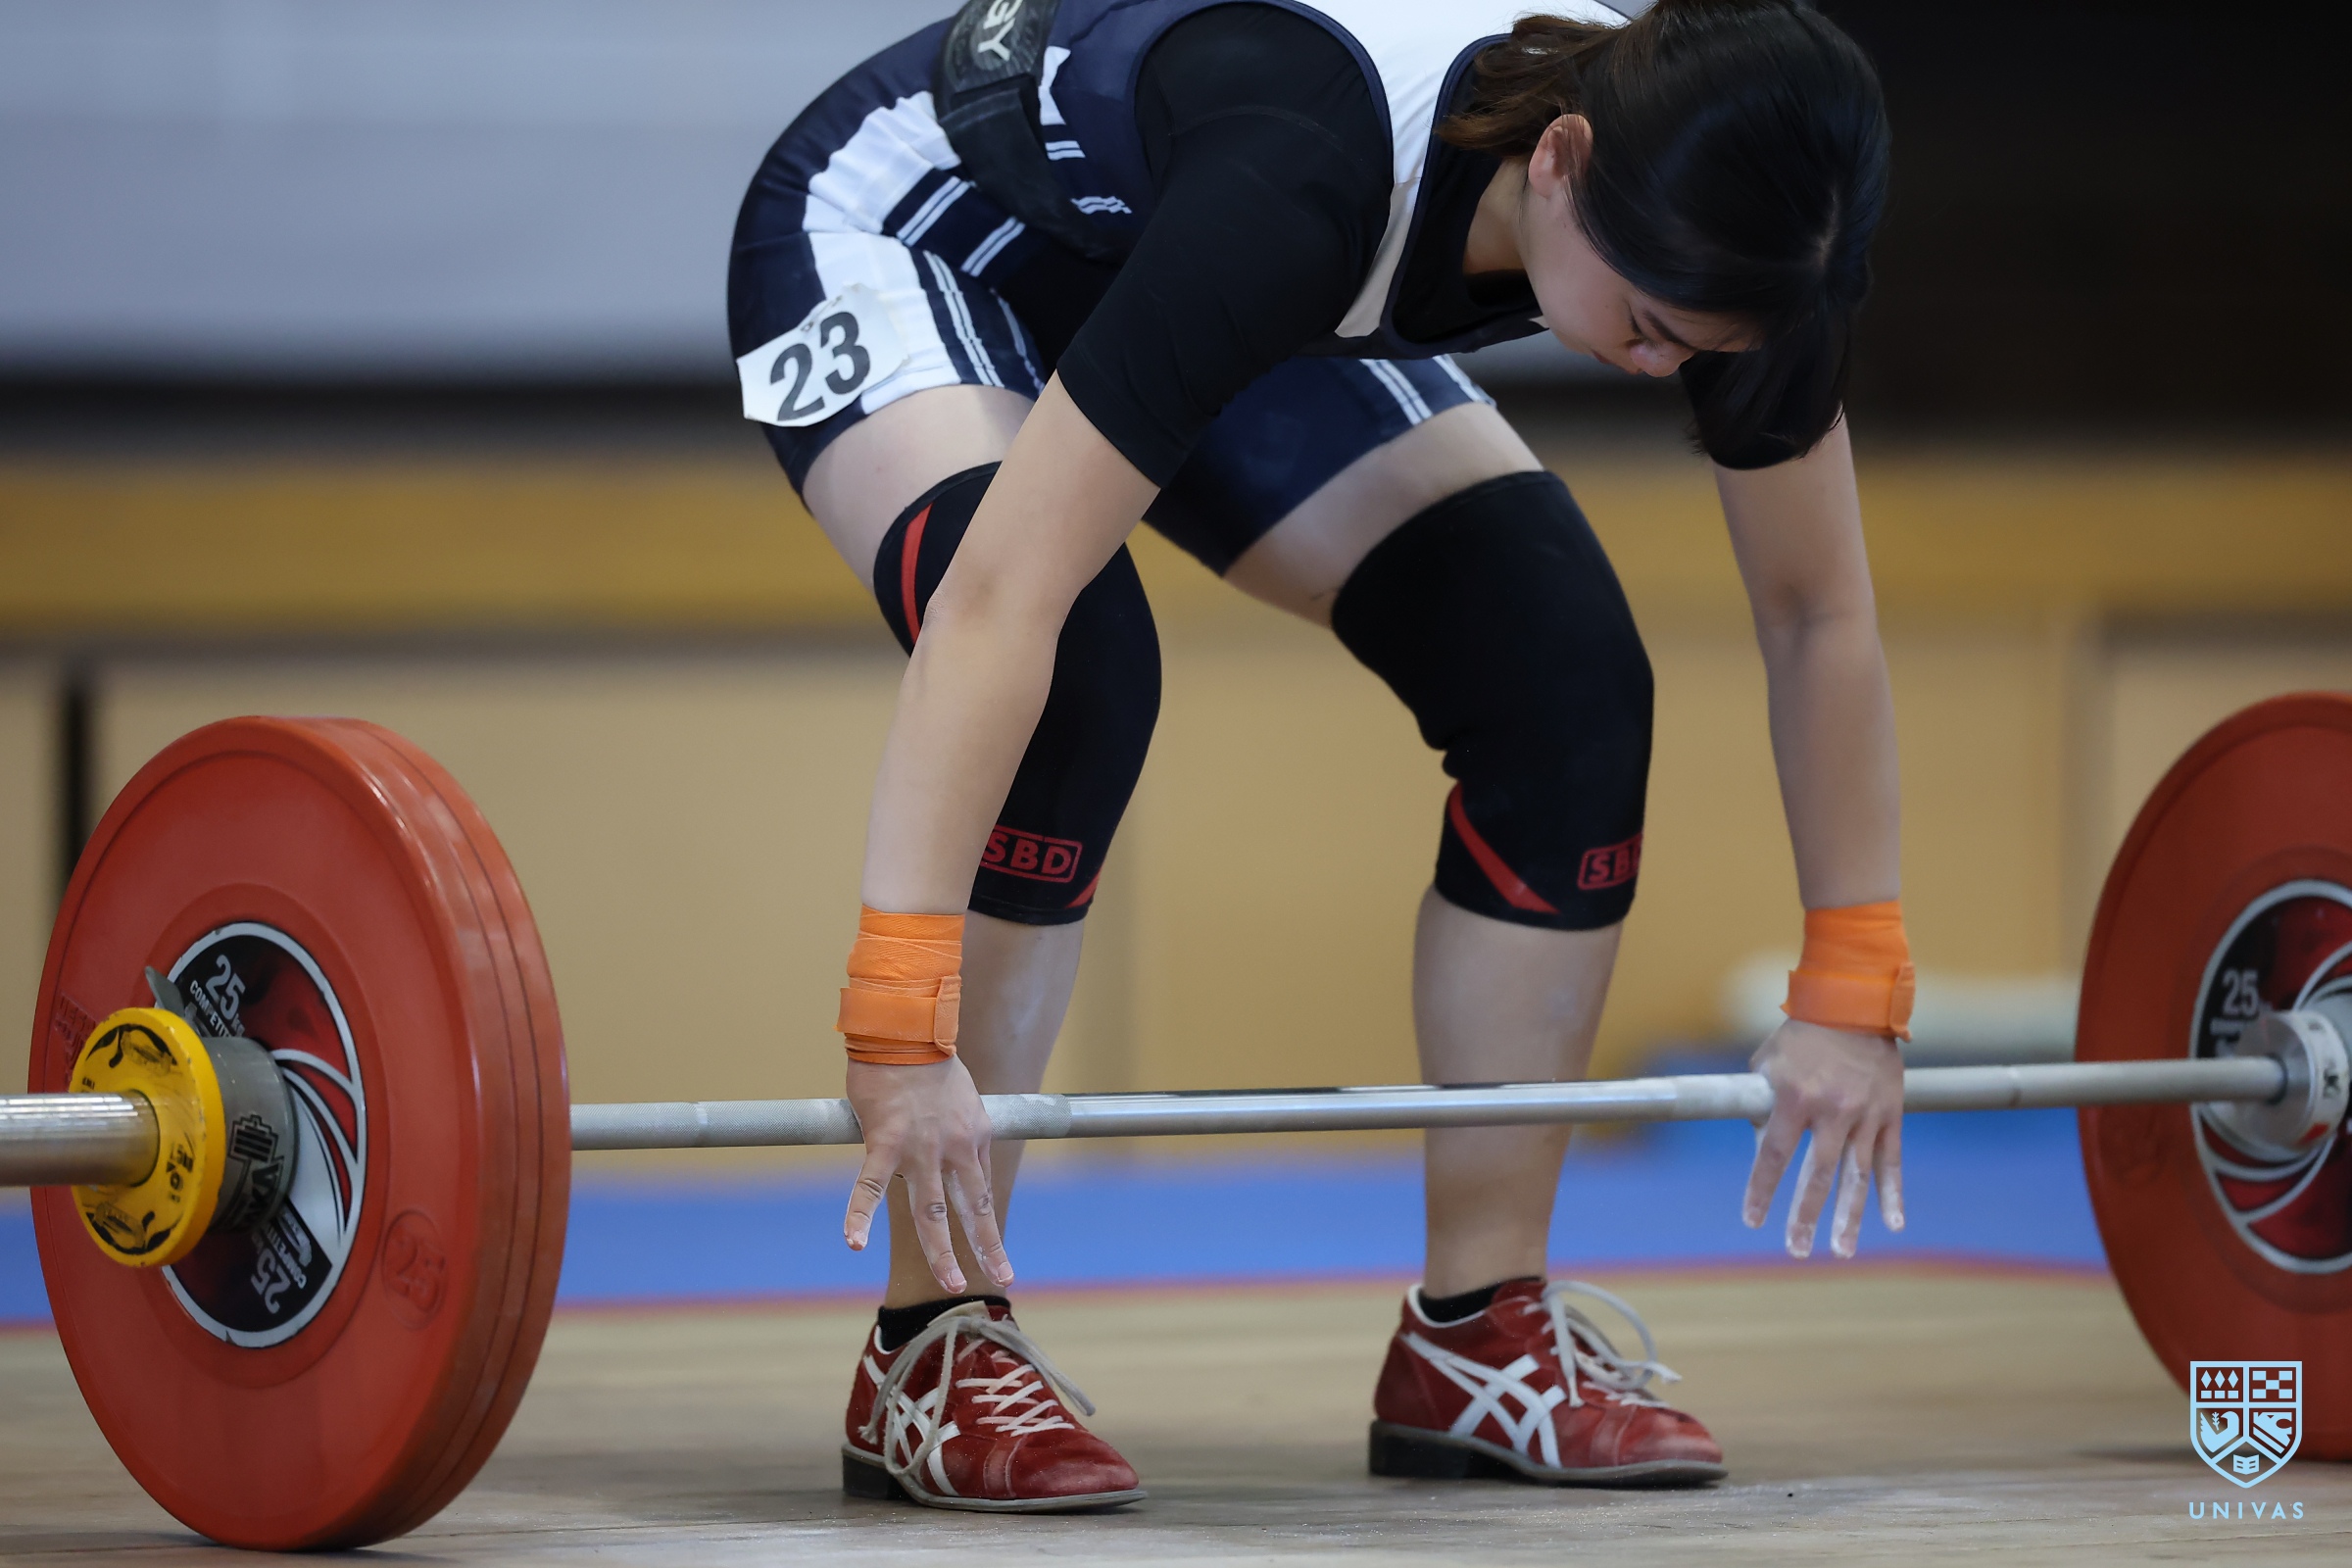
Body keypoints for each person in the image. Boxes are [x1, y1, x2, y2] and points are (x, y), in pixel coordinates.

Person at [728, 0, 1912, 1513]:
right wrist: (897, 1023)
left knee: (1558, 673)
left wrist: (1855, 981)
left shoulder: (1747, 223)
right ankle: (934, 1342)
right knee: (1077, 669)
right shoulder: (1306, 171)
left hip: (1212, 259)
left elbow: (1818, 615)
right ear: (1561, 159)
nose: (1658, 366)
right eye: (1651, 322)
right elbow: (998, 602)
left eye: (1700, 343)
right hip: (934, 227)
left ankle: (1477, 1332)